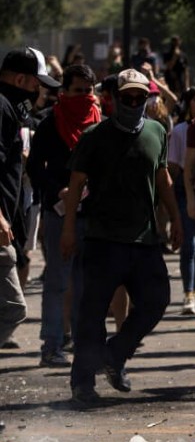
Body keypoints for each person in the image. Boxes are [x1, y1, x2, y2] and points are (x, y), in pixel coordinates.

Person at [62, 68, 182, 405]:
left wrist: (176, 219)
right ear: (114, 98)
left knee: (156, 301)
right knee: (91, 313)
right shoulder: (94, 135)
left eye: (139, 97)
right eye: (126, 96)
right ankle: (83, 383)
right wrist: (69, 229)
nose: (132, 102)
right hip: (102, 239)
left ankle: (115, 355)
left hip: (143, 239)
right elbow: (75, 185)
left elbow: (163, 180)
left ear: (147, 98)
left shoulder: (158, 131)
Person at [27, 64, 100, 367]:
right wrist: (58, 191)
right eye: (77, 91)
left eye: (88, 91)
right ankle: (52, 345)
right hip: (59, 214)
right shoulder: (49, 124)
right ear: (64, 92)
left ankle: (83, 345)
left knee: (87, 283)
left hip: (93, 214)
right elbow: (34, 168)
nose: (83, 97)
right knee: (58, 280)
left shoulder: (100, 124)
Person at [0, 47, 61, 349]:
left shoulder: (10, 109)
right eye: (37, 84)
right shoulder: (1, 107)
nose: (39, 92)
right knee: (13, 308)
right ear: (21, 79)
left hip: (7, 225)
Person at [171, 86, 195, 315]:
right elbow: (174, 167)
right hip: (186, 192)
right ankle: (189, 294)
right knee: (190, 245)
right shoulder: (179, 131)